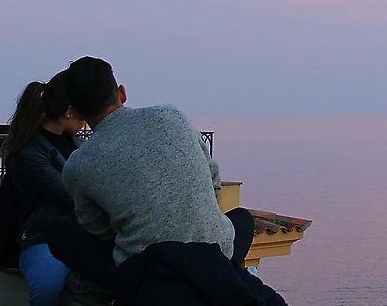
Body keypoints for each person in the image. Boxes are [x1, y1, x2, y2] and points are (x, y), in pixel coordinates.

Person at [60, 57, 254, 272]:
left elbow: (98, 229)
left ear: (76, 112)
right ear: (122, 93)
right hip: (215, 253)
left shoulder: (78, 164)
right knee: (242, 219)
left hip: (150, 270)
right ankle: (226, 272)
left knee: (62, 232)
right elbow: (213, 181)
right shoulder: (170, 115)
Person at [0, 73, 92, 306]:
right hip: (43, 240)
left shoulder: (76, 144)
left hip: (79, 236)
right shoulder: (29, 154)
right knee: (46, 288)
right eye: (81, 111)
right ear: (68, 112)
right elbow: (71, 194)